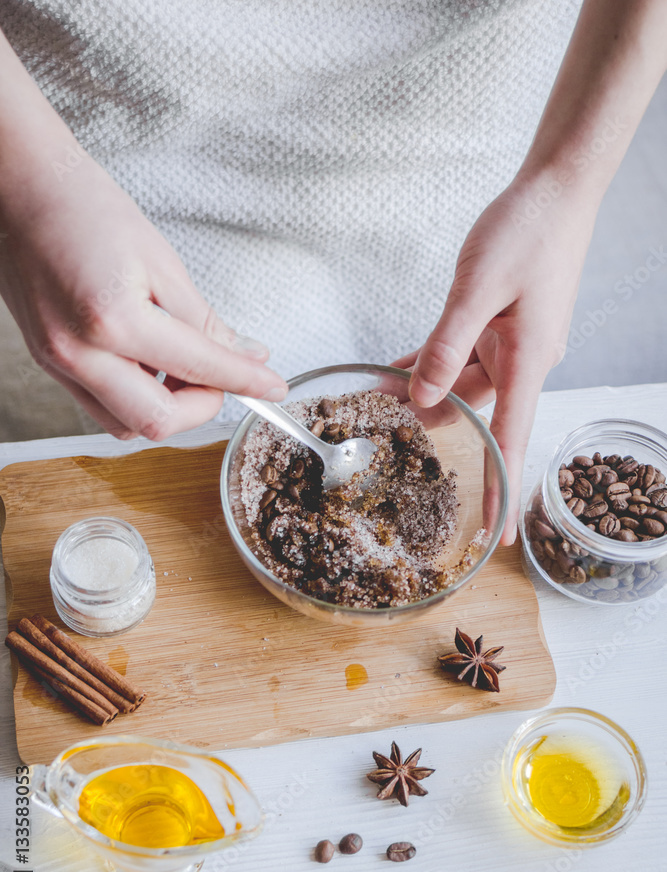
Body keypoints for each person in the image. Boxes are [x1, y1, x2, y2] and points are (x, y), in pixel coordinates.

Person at [0, 0, 665, 544]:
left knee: (435, 398)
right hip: (100, 154)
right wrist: (30, 192)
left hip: (456, 131)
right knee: (168, 460)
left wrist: (563, 183)